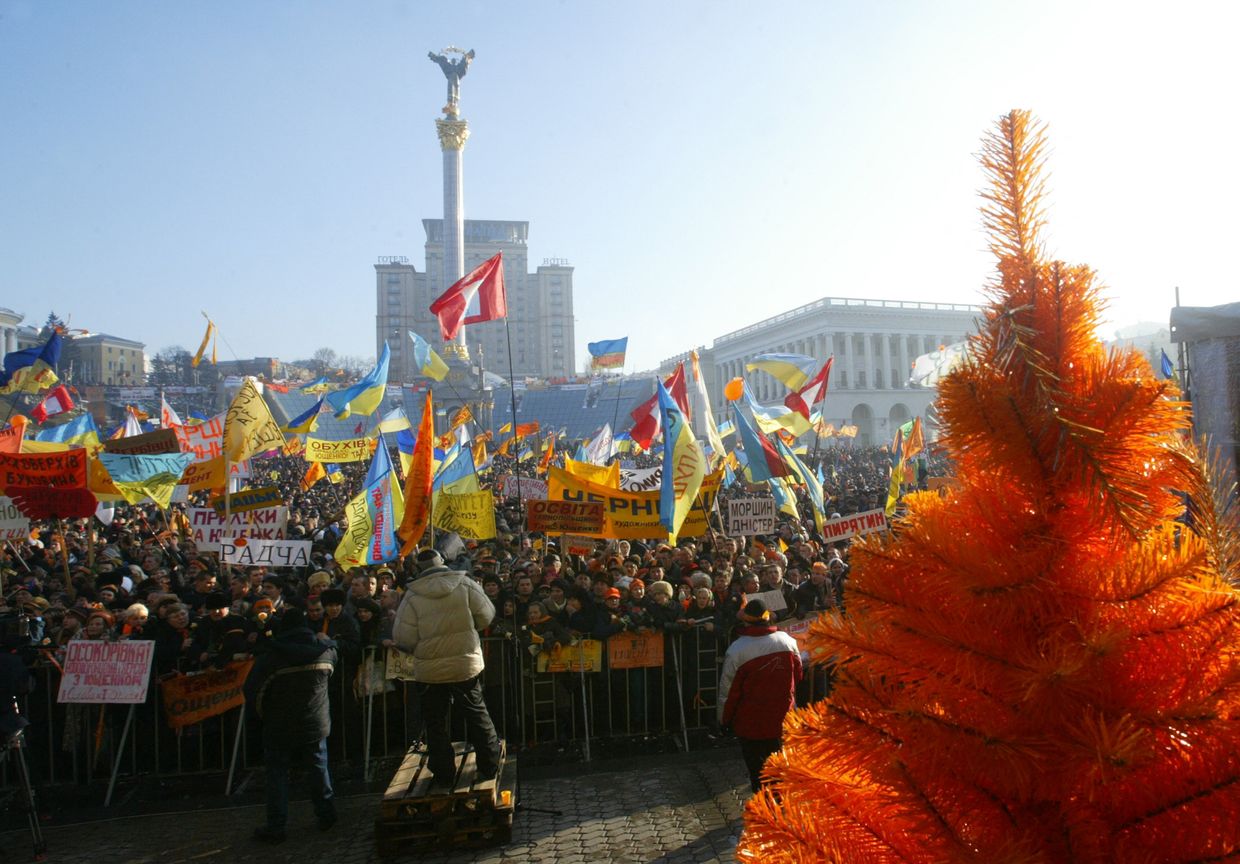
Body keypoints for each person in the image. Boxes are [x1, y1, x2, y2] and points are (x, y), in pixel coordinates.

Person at [392, 549, 501, 787]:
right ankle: (490, 764)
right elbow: (487, 615)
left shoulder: (412, 596)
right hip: (465, 663)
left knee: (435, 721)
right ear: (442, 562)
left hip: (430, 670)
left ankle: (443, 773)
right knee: (476, 713)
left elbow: (403, 636)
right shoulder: (465, 584)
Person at [245, 606, 339, 844]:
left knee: (277, 773)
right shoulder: (323, 652)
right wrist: (327, 641)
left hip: (279, 723)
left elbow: (252, 690)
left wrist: (263, 714)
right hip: (315, 720)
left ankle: (277, 826)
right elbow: (334, 660)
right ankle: (326, 814)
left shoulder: (271, 657)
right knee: (318, 767)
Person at [718, 599, 802, 793]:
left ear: (746, 621)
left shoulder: (737, 649)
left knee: (758, 774)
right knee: (780, 770)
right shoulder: (787, 641)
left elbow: (728, 691)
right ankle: (781, 810)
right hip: (783, 717)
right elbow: (798, 675)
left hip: (751, 723)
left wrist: (723, 720)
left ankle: (764, 812)